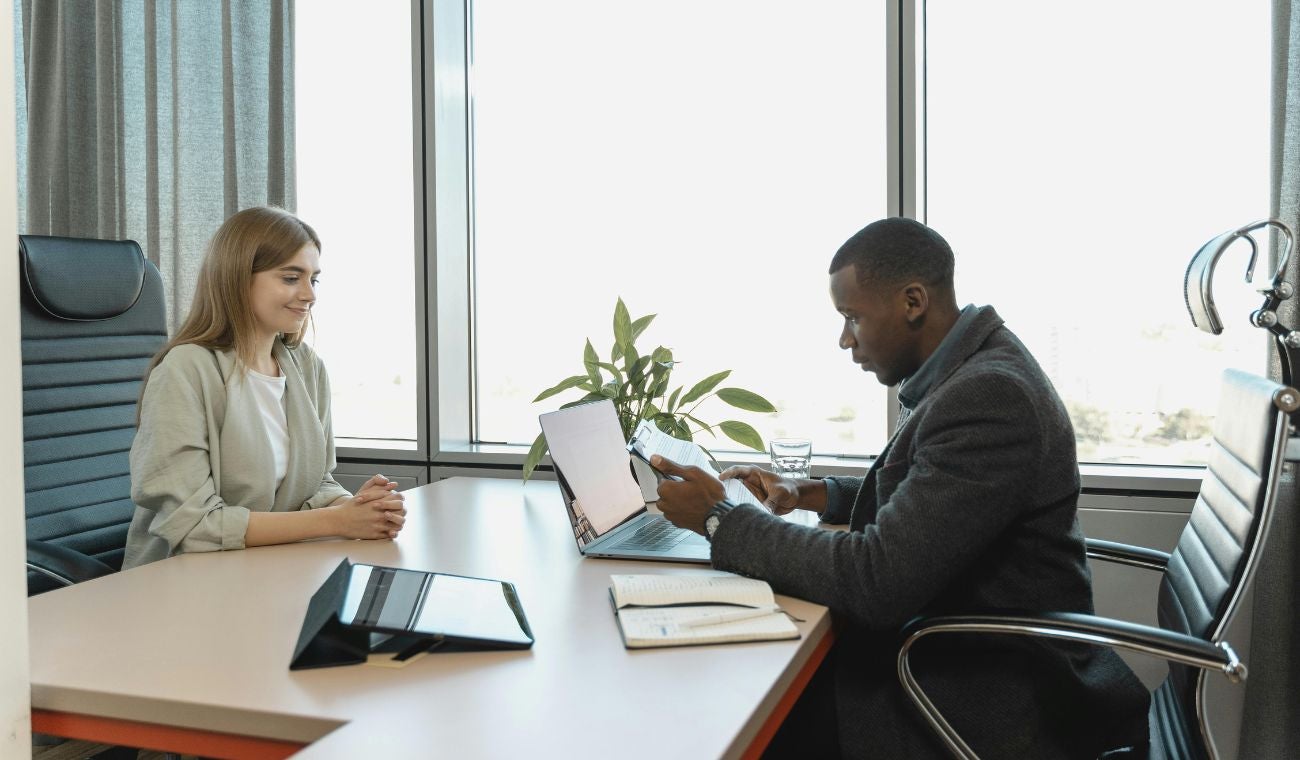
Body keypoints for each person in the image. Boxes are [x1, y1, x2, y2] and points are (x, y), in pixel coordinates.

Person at [652, 218, 1150, 758]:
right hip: (965, 653)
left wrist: (719, 517)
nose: (845, 339)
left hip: (989, 691)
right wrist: (815, 492)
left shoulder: (989, 395)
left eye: (852, 317)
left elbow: (876, 581)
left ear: (913, 301)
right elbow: (929, 486)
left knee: (740, 713)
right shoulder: (975, 369)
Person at [123, 206, 406, 568]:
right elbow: (194, 526)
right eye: (291, 278)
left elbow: (316, 484)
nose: (309, 295)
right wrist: (337, 521)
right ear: (238, 279)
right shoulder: (185, 371)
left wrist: (358, 508)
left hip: (266, 571)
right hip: (182, 583)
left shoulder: (307, 368)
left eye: (313, 279)